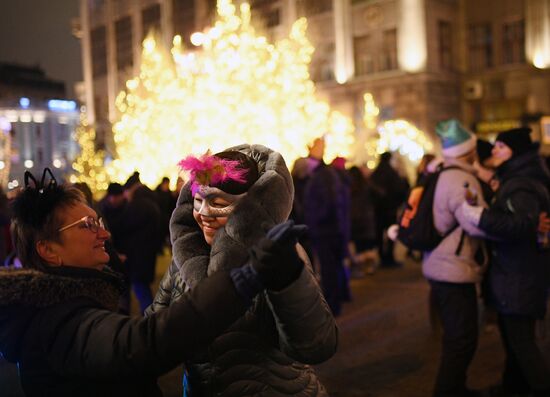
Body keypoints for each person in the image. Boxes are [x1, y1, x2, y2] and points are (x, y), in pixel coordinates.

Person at [0, 168, 308, 397]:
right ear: (48, 250)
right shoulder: (59, 320)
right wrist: (243, 280)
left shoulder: (68, 302)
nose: (104, 234)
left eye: (100, 222)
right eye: (88, 225)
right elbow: (141, 344)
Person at [147, 144, 338, 397]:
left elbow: (315, 345)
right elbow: (152, 334)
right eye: (197, 201)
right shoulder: (184, 259)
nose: (204, 213)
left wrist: (287, 281)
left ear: (249, 208)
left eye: (218, 203)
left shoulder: (277, 253)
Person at [459, 127, 550, 397]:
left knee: (522, 341)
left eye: (500, 146)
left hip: (520, 272)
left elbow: (522, 223)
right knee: (514, 340)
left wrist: (480, 217)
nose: (495, 150)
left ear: (515, 151)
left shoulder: (521, 182)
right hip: (518, 270)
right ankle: (513, 387)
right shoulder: (519, 176)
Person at [423, 119, 489, 397]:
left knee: (457, 336)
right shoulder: (461, 179)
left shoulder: (443, 173)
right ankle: (448, 390)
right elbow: (476, 222)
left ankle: (454, 387)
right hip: (453, 266)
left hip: (442, 263)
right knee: (461, 338)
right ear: (469, 150)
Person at [303, 137, 351, 316]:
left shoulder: (323, 175)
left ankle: (333, 305)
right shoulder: (322, 174)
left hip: (327, 231)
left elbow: (329, 204)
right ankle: (335, 301)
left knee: (330, 269)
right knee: (332, 268)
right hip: (329, 230)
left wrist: (315, 223)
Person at [370, 151, 409, 266]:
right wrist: (397, 204)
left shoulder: (376, 173)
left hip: (378, 210)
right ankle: (389, 257)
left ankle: (382, 256)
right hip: (390, 210)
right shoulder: (392, 173)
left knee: (379, 234)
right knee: (391, 234)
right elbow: (400, 190)